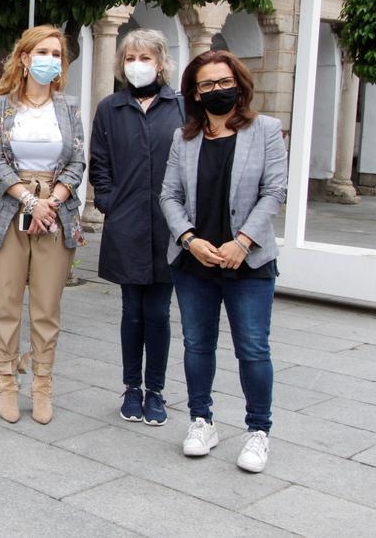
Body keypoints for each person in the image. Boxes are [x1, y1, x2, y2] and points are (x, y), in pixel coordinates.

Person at [160, 49, 287, 473]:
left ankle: (258, 431)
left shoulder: (266, 130)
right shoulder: (185, 138)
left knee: (252, 348)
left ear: (239, 84)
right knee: (197, 344)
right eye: (207, 85)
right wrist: (189, 239)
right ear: (194, 93)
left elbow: (274, 192)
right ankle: (202, 421)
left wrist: (243, 241)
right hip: (195, 262)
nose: (217, 90)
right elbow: (169, 196)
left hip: (247, 264)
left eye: (223, 82)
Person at [0, 24, 85, 425]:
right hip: (9, 210)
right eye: (43, 53)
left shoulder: (69, 108)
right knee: (4, 304)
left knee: (45, 308)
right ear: (23, 58)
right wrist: (30, 201)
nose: (50, 61)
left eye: (57, 54)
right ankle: (6, 383)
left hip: (56, 211)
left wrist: (51, 202)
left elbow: (77, 162)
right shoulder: (1, 107)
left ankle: (42, 385)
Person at [90, 29, 184, 427]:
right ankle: (131, 388)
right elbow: (99, 163)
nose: (137, 65)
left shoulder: (180, 107)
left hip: (168, 226)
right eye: (130, 58)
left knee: (159, 313)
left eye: (145, 58)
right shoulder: (110, 108)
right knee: (132, 312)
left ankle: (156, 391)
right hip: (126, 223)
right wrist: (109, 203)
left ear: (160, 62)